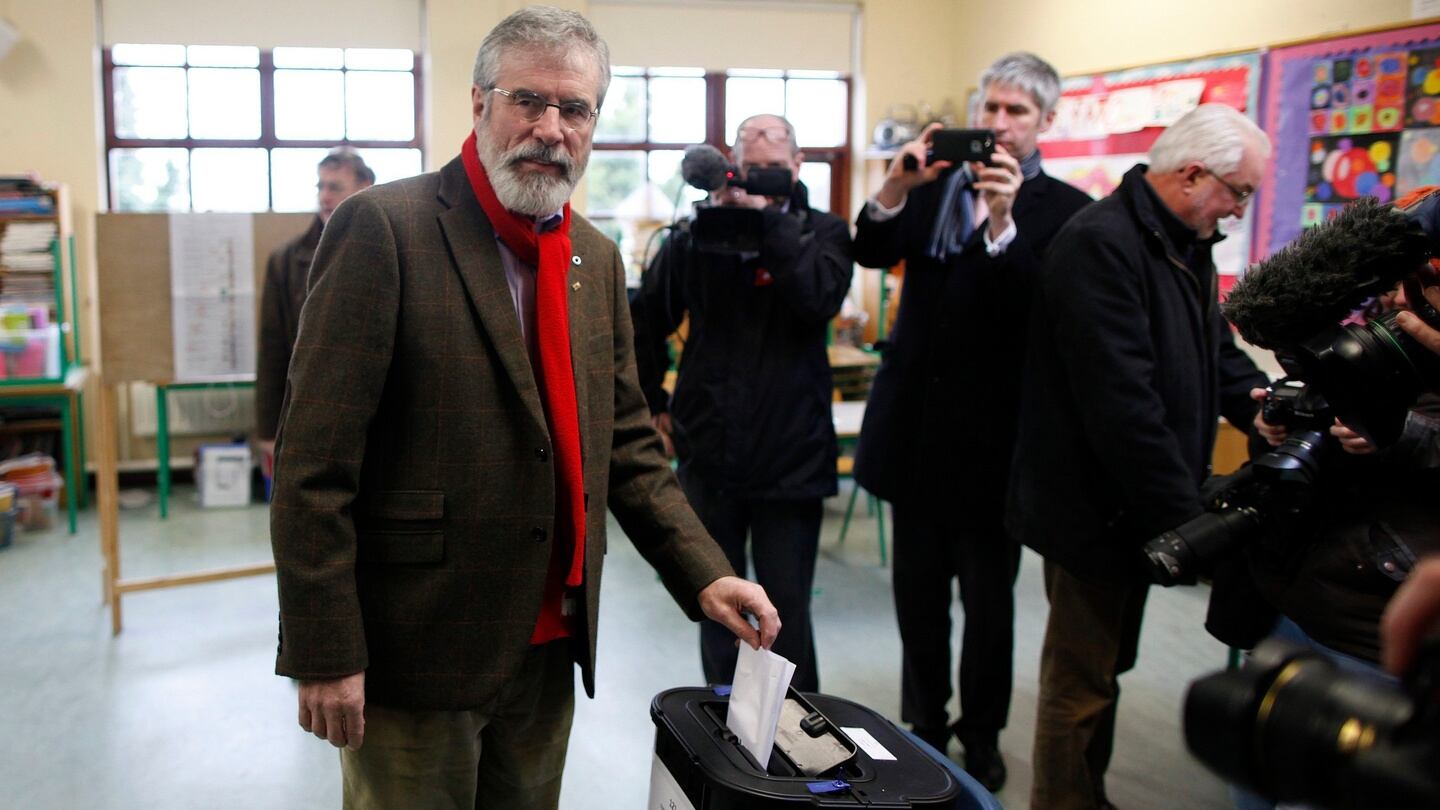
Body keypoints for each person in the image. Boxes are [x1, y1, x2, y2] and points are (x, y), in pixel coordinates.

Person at [268, 8, 779, 809]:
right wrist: (325, 650)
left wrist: (707, 571)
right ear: (479, 104)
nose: (550, 128)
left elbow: (630, 446)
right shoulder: (385, 231)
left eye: (573, 109)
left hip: (547, 649)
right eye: (527, 101)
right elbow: (313, 466)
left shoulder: (594, 258)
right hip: (418, 647)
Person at [1006, 103, 1271, 810]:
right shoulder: (1100, 243)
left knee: (1106, 671)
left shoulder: (1183, 239)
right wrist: (1188, 522)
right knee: (1080, 683)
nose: (1239, 210)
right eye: (1238, 191)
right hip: (1093, 510)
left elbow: (1212, 345)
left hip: (1140, 505)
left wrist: (1259, 403)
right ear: (1190, 175)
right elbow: (1123, 407)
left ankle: (1086, 796)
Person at [848, 52, 1091, 790]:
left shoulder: (1067, 210)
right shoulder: (929, 187)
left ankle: (980, 732)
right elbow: (868, 245)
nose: (998, 124)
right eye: (990, 109)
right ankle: (923, 725)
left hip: (997, 451)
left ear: (1046, 122)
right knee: (918, 603)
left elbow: (1040, 309)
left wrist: (1003, 220)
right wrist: (895, 181)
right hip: (916, 440)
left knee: (989, 613)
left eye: (1016, 112)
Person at [630, 114, 853, 692]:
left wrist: (767, 218)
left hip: (792, 457)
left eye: (774, 172)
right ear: (730, 164)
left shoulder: (824, 231)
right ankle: (723, 734)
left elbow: (817, 299)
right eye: (749, 170)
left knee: (786, 614)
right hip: (709, 452)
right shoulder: (696, 235)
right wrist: (654, 400)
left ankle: (797, 739)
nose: (759, 181)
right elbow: (645, 319)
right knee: (718, 607)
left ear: (798, 168)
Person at [254, 148, 374, 466]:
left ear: (365, 187)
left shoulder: (393, 248)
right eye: (320, 187)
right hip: (311, 410)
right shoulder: (287, 260)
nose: (324, 196)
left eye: (334, 187)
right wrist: (268, 429)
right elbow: (273, 348)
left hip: (377, 413)